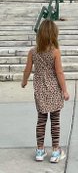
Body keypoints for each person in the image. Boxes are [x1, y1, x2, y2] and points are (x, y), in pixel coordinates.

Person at [21, 19, 69, 163]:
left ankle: (40, 150)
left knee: (41, 121)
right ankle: (55, 152)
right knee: (55, 121)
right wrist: (65, 90)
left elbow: (27, 70)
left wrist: (24, 81)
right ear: (54, 35)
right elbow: (59, 73)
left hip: (40, 90)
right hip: (54, 90)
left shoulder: (33, 52)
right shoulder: (55, 52)